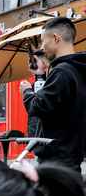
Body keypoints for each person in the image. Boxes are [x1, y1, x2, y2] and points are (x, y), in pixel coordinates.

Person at [20, 17, 86, 174]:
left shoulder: (62, 72)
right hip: (72, 154)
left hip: (57, 159)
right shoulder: (78, 69)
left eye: (44, 41)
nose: (42, 47)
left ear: (56, 38)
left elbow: (37, 107)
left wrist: (26, 92)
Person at [25, 49, 49, 139]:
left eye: (33, 61)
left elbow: (37, 109)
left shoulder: (52, 82)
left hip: (43, 138)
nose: (29, 65)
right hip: (37, 134)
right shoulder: (34, 85)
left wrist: (27, 92)